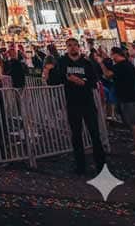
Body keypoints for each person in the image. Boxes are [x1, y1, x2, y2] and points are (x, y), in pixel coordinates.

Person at [47, 37, 106, 175]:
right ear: (66, 48)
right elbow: (54, 80)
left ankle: (100, 165)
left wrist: (82, 82)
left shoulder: (86, 63)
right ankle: (80, 166)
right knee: (76, 135)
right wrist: (53, 72)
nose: (72, 47)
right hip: (73, 103)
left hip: (88, 102)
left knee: (95, 134)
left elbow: (94, 81)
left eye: (74, 45)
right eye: (69, 45)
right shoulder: (62, 62)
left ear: (78, 46)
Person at [96, 47, 135, 156]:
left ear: (116, 54)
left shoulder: (121, 66)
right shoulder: (126, 64)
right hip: (130, 97)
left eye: (112, 55)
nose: (111, 57)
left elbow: (108, 74)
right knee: (133, 123)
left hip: (132, 97)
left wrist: (101, 63)